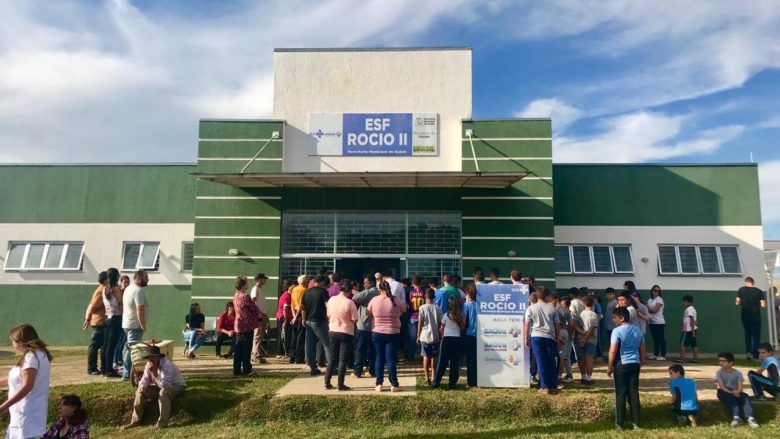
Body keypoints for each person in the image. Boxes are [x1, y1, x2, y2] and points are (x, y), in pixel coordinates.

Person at [0, 324, 53, 439]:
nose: (12, 345)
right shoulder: (39, 354)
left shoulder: (31, 357)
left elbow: (27, 386)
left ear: (20, 342)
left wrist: (3, 407)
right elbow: (15, 379)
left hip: (26, 416)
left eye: (13, 341)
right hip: (26, 417)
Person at [124, 346, 186, 430]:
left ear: (159, 357)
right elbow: (145, 379)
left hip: (176, 385)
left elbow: (165, 385)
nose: (150, 359)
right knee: (140, 392)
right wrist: (142, 386)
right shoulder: (148, 364)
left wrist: (155, 374)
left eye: (153, 357)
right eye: (148, 357)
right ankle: (135, 421)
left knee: (163, 393)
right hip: (159, 385)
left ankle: (162, 424)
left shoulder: (167, 365)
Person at [607, 307, 646, 430]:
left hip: (621, 364)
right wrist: (641, 361)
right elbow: (642, 348)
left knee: (621, 393)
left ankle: (619, 423)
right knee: (633, 392)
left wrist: (609, 366)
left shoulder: (617, 331)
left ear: (622, 318)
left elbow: (613, 351)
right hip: (635, 363)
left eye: (615, 318)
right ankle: (636, 423)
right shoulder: (638, 330)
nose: (613, 320)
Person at [367, 281, 407, 392]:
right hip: (393, 332)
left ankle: (379, 384)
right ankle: (394, 384)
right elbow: (404, 310)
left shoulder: (374, 300)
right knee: (391, 358)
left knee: (379, 357)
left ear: (379, 289)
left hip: (377, 331)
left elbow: (367, 312)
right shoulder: (395, 299)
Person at [524, 286, 562, 394]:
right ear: (547, 296)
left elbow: (527, 324)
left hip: (536, 337)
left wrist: (526, 338)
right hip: (550, 337)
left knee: (541, 362)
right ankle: (553, 386)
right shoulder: (552, 308)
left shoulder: (531, 308)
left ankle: (544, 386)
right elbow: (557, 325)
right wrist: (557, 337)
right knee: (551, 361)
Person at [325, 280, 358, 390]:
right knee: (343, 359)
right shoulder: (350, 302)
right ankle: (340, 384)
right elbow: (355, 318)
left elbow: (328, 314)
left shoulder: (331, 300)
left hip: (332, 330)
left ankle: (327, 382)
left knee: (332, 358)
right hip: (346, 332)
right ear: (349, 291)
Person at [715, 352, 759, 428]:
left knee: (745, 397)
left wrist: (738, 391)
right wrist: (731, 393)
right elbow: (721, 387)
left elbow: (740, 386)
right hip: (723, 391)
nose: (721, 363)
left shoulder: (737, 373)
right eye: (720, 360)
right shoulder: (719, 373)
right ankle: (736, 417)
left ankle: (751, 418)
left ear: (731, 362)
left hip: (736, 391)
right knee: (730, 398)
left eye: (724, 361)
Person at [301, 275, 332, 375]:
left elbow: (303, 307)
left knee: (309, 346)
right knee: (327, 344)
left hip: (308, 321)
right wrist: (330, 317)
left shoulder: (306, 292)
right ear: (322, 281)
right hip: (320, 321)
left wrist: (303, 319)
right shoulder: (323, 291)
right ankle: (331, 368)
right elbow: (327, 305)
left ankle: (313, 368)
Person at [433, 296, 465, 389]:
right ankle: (452, 384)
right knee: (455, 362)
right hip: (457, 340)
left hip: (447, 340)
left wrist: (441, 333)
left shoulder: (445, 316)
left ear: (448, 305)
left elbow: (441, 329)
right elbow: (462, 328)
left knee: (442, 362)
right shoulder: (460, 316)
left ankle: (436, 382)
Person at [122, 270, 148, 380]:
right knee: (132, 349)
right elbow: (140, 309)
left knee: (128, 347)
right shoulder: (138, 290)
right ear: (138, 278)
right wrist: (142, 325)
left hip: (128, 323)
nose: (148, 279)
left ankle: (126, 371)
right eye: (146, 277)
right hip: (134, 325)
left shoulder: (128, 288)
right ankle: (126, 374)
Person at [353, 276, 379, 378]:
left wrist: (357, 293)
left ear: (371, 283)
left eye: (366, 283)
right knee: (373, 350)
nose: (364, 285)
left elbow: (355, 298)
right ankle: (373, 371)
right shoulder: (378, 292)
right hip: (374, 326)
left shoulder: (370, 292)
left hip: (364, 325)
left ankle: (357, 371)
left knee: (360, 349)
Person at [233, 276, 260, 376]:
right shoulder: (245, 297)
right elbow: (254, 308)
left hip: (238, 325)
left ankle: (236, 369)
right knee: (246, 349)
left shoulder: (236, 295)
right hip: (247, 325)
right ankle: (247, 370)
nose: (248, 284)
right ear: (243, 285)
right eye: (247, 282)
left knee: (238, 349)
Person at [417, 287, 443, 387]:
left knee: (426, 356)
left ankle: (426, 376)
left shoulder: (422, 308)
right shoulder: (438, 308)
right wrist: (440, 334)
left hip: (425, 335)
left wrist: (418, 335)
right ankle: (433, 376)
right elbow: (440, 323)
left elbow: (420, 323)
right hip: (435, 335)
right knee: (434, 357)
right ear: (434, 297)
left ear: (425, 296)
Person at [82, 271, 107, 375]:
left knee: (101, 345)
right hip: (99, 322)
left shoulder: (104, 289)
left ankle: (100, 367)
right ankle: (91, 368)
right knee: (95, 345)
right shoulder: (100, 291)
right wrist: (87, 318)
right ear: (105, 280)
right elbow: (92, 306)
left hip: (102, 322)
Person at [736, 277, 766, 361]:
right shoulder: (759, 291)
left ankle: (748, 352)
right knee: (756, 335)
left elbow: (737, 302)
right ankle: (756, 355)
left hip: (745, 314)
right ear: (753, 282)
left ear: (746, 282)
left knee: (748, 334)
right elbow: (763, 305)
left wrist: (742, 303)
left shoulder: (741, 290)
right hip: (755, 315)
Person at [101, 268, 123, 378]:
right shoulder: (116, 289)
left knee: (105, 345)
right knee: (112, 346)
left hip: (107, 318)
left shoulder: (104, 289)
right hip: (116, 318)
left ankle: (104, 368)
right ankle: (109, 370)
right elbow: (120, 303)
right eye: (118, 275)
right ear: (115, 277)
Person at [576, 296, 598, 385]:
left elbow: (576, 326)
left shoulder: (580, 314)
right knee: (589, 359)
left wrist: (582, 336)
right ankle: (588, 379)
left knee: (581, 359)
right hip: (591, 339)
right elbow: (592, 328)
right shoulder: (593, 315)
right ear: (593, 304)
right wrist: (585, 338)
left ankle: (583, 377)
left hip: (580, 338)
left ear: (583, 304)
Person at [250, 273, 269, 364]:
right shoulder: (255, 289)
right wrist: (260, 313)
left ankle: (257, 354)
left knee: (260, 336)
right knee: (257, 336)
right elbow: (253, 302)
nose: (265, 280)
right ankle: (255, 356)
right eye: (264, 279)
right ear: (260, 279)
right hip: (258, 316)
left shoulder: (260, 290)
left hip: (262, 315)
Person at [405, 276, 425, 362]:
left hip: (412, 316)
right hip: (423, 317)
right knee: (423, 337)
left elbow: (407, 304)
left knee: (412, 338)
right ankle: (424, 356)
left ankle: (410, 356)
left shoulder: (409, 292)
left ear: (413, 283)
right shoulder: (424, 292)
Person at [462, 283, 479, 388]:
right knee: (478, 359)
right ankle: (478, 380)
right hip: (480, 335)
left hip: (469, 334)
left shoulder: (466, 305)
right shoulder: (480, 304)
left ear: (467, 293)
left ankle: (471, 382)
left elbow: (464, 321)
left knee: (470, 359)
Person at [288, 275, 307, 364]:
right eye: (307, 279)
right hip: (300, 314)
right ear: (304, 281)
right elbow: (301, 305)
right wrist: (296, 317)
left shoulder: (294, 289)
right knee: (300, 337)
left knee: (294, 336)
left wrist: (293, 316)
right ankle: (299, 358)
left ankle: (292, 357)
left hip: (294, 312)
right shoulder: (304, 289)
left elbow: (292, 304)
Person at [113, 275, 131, 372]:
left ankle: (119, 360)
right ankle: (115, 361)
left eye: (128, 282)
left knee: (123, 340)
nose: (127, 284)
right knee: (118, 341)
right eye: (125, 282)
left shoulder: (128, 292)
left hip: (125, 318)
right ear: (121, 282)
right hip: (119, 318)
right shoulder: (118, 291)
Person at [555, 295, 574, 384]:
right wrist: (569, 334)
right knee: (563, 356)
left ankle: (556, 375)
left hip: (556, 332)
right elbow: (571, 324)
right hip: (564, 331)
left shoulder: (555, 309)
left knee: (557, 355)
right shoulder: (567, 311)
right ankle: (559, 375)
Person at [647, 285, 667, 361]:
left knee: (661, 338)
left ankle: (663, 355)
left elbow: (654, 311)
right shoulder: (649, 300)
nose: (657, 292)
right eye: (655, 290)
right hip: (651, 322)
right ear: (652, 291)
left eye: (658, 291)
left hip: (659, 322)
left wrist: (648, 308)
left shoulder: (659, 300)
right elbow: (647, 309)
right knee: (655, 339)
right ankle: (655, 354)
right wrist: (648, 309)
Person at [677, 295, 699, 363]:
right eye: (683, 302)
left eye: (685, 302)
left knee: (682, 343)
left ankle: (682, 358)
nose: (684, 303)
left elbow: (692, 320)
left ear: (690, 302)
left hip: (688, 330)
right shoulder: (690, 309)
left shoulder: (690, 309)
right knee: (694, 344)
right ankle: (695, 359)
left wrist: (692, 332)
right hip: (691, 329)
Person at [276, 279, 294, 358]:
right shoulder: (287, 296)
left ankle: (280, 352)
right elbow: (285, 308)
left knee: (282, 334)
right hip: (283, 317)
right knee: (284, 335)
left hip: (283, 317)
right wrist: (286, 320)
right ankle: (283, 352)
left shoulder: (285, 294)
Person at [602, 288, 617, 362]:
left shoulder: (615, 302)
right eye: (607, 294)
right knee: (611, 342)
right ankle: (611, 358)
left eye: (611, 294)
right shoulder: (609, 302)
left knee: (614, 343)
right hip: (608, 326)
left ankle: (614, 358)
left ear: (614, 295)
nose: (609, 296)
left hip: (613, 327)